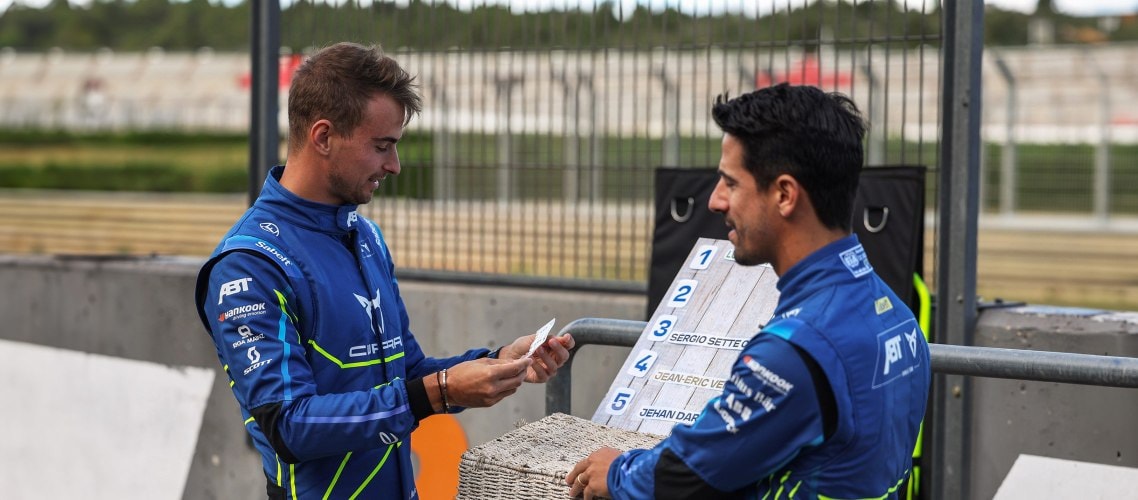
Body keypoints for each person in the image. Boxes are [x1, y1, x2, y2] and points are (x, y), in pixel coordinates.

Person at [193, 42, 574, 500]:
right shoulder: (250, 264)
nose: (394, 166)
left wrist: (497, 360)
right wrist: (438, 391)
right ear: (323, 137)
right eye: (381, 147)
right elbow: (289, 426)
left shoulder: (365, 237)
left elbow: (407, 370)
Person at [568, 83, 930, 499]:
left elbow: (689, 474)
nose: (715, 201)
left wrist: (617, 472)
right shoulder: (898, 314)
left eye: (730, 183)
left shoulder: (797, 351)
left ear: (784, 195)